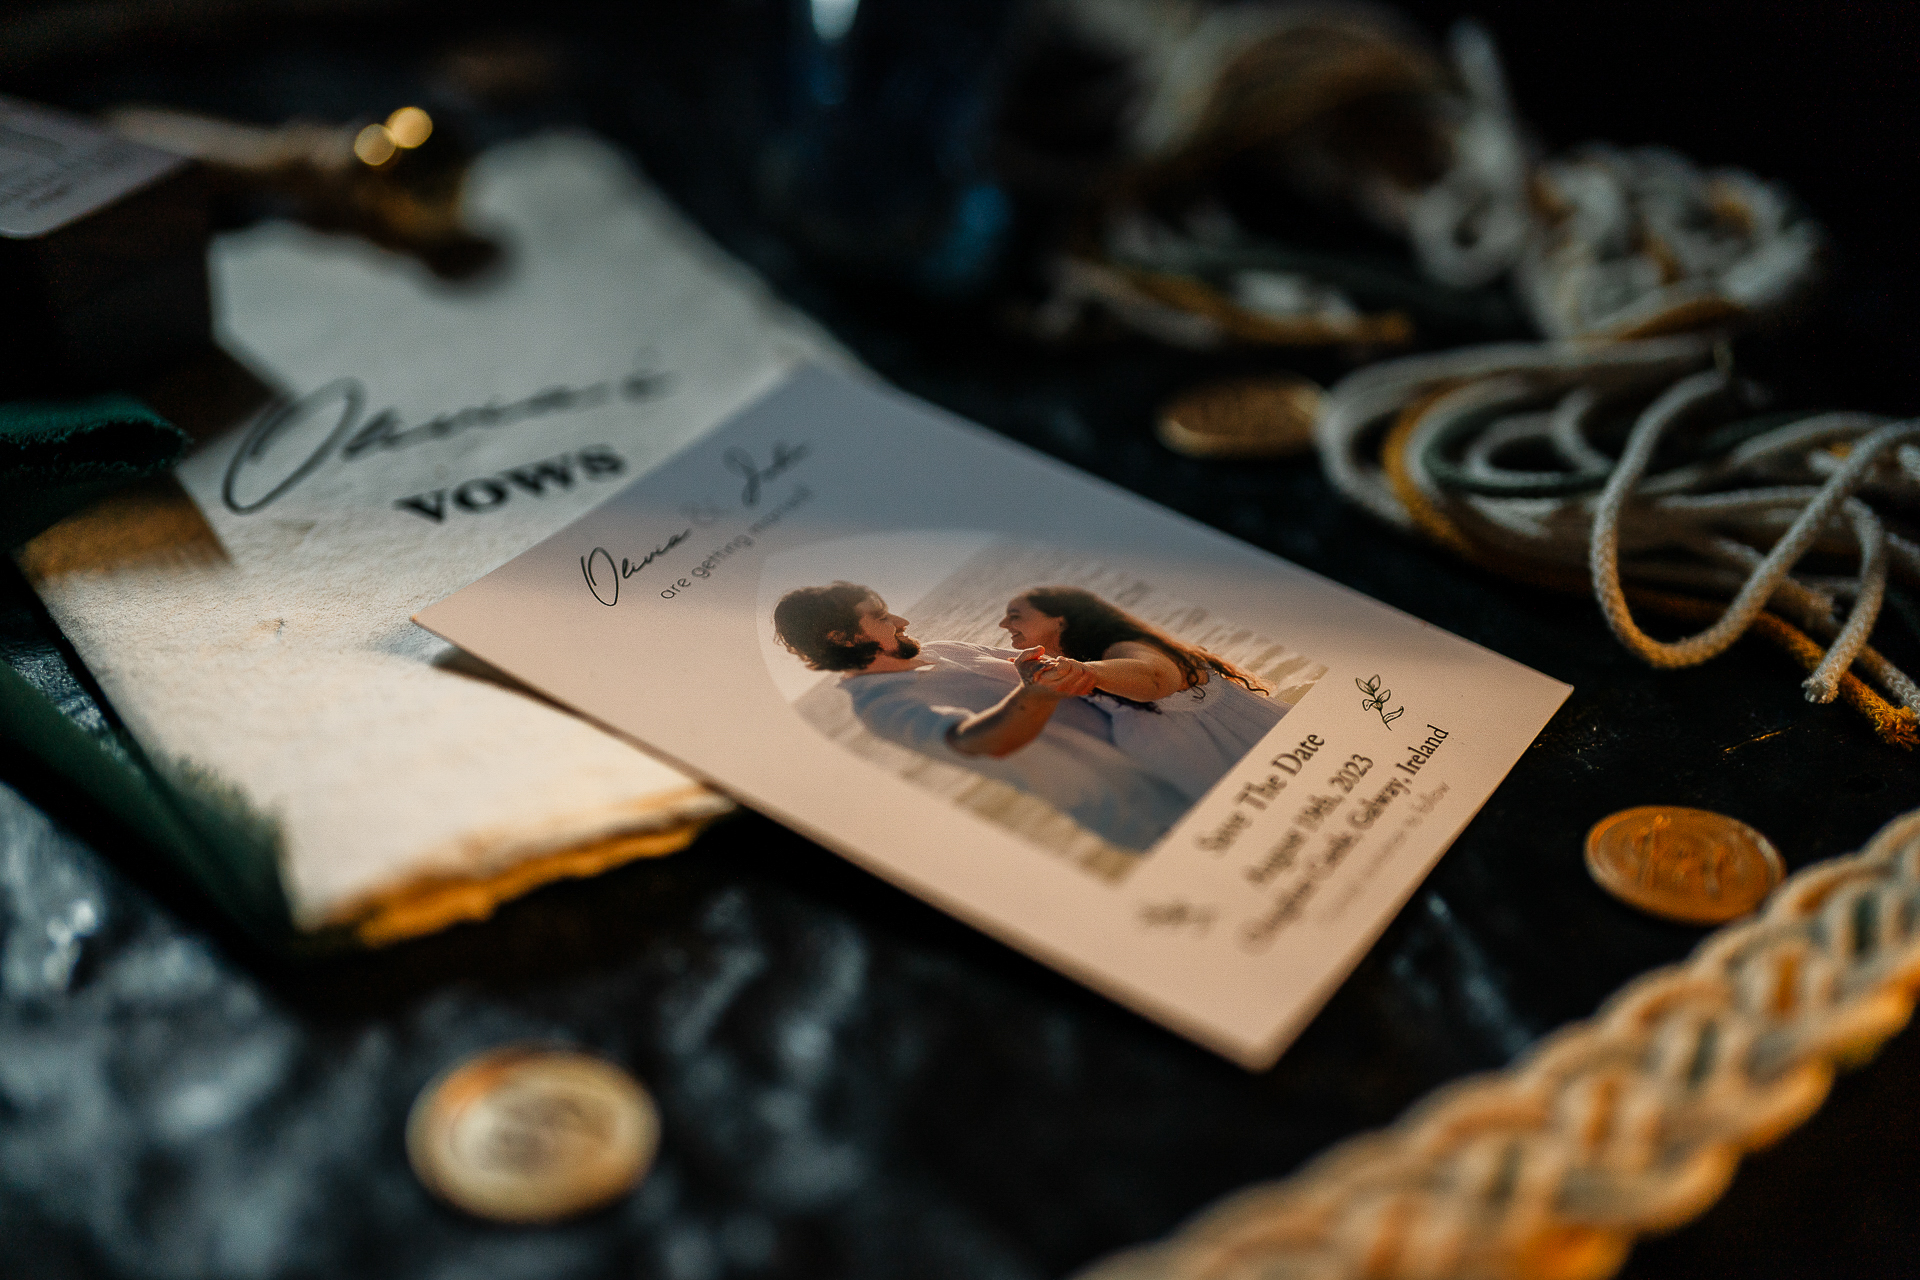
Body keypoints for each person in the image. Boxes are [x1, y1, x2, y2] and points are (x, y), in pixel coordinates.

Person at [772, 582, 1188, 852]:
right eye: (881, 617)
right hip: (1138, 810)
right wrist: (1036, 693)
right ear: (841, 638)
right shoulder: (879, 707)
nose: (901, 621)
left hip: (1169, 758)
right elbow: (983, 741)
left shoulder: (944, 649)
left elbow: (1048, 666)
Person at [999, 586, 1286, 803]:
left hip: (1275, 775)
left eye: (1015, 616)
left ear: (1058, 621)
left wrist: (1086, 672)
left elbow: (1156, 676)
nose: (1003, 625)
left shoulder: (1124, 648)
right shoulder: (1101, 661)